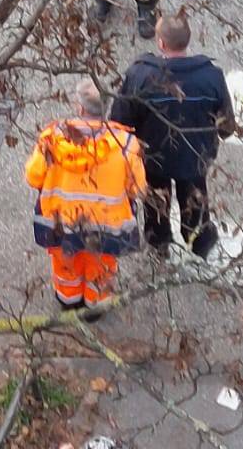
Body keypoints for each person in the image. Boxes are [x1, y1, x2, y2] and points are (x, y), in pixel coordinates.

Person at [110, 13, 235, 257]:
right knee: (195, 196)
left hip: (154, 157)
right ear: (187, 41)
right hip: (195, 155)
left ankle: (159, 242)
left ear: (161, 43)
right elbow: (226, 125)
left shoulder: (140, 77)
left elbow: (120, 122)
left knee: (156, 199)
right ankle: (199, 241)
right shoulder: (212, 76)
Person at [25, 76, 146, 313]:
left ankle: (69, 304)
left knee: (66, 267)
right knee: (101, 270)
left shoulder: (52, 138)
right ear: (107, 107)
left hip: (61, 223)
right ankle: (95, 308)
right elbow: (138, 189)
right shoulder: (126, 143)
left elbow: (33, 177)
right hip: (107, 226)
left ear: (79, 107)